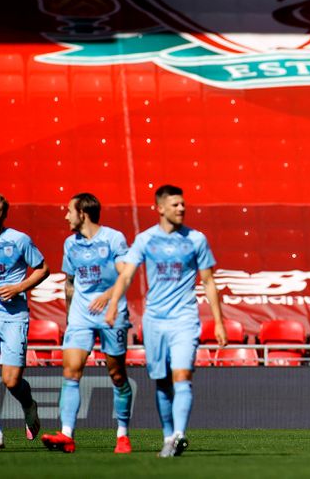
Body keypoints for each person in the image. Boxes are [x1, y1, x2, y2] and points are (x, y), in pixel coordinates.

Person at [99, 184, 228, 458]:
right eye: (175, 205)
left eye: (183, 204)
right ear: (160, 208)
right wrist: (112, 306)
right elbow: (126, 275)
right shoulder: (146, 239)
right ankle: (168, 437)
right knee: (162, 381)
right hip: (155, 320)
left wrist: (218, 322)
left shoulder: (196, 239)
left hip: (184, 318)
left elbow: (208, 281)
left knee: (182, 375)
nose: (181, 208)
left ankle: (179, 434)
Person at [41, 193, 133, 454]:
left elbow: (125, 274)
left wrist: (107, 296)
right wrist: (70, 318)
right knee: (71, 372)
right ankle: (66, 434)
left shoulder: (113, 238)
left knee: (117, 375)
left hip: (111, 313)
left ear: (82, 213)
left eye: (69, 211)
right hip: (81, 316)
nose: (66, 216)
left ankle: (123, 434)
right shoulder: (70, 244)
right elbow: (70, 284)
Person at [0, 193, 50, 450]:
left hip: (13, 316)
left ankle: (29, 405)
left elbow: (43, 268)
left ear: (3, 215)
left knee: (11, 380)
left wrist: (19, 287)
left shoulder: (19, 240)